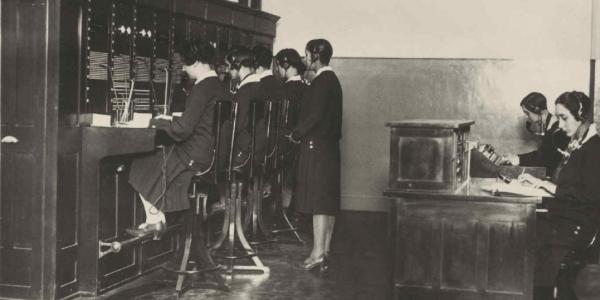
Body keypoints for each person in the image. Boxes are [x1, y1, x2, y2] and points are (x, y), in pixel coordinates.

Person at [126, 39, 229, 242]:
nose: (182, 67)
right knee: (157, 159)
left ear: (197, 62)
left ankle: (155, 219)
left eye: (185, 63)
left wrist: (157, 122)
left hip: (195, 156)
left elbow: (182, 130)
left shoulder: (202, 87)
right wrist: (172, 120)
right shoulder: (219, 85)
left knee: (140, 164)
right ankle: (158, 218)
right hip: (212, 155)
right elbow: (200, 120)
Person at [518, 91, 600, 300]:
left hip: (578, 228)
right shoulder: (579, 144)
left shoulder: (594, 148)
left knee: (528, 241)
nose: (561, 125)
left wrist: (551, 188)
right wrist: (541, 183)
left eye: (564, 118)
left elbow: (589, 195)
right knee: (526, 236)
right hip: (567, 220)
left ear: (581, 116)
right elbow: (570, 185)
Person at [286, 39, 343, 271]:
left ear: (315, 57)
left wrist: (295, 134)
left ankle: (318, 252)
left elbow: (313, 116)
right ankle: (324, 250)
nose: (304, 59)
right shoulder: (332, 80)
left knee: (318, 201)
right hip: (328, 148)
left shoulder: (321, 81)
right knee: (327, 200)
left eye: (306, 55)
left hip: (316, 147)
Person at [274, 48, 307, 211]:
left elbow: (282, 121)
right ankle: (290, 215)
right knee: (293, 180)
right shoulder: (305, 87)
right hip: (300, 143)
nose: (278, 70)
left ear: (285, 65)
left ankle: (282, 215)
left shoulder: (285, 90)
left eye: (278, 66)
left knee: (285, 181)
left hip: (286, 142)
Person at [505, 92, 569, 175]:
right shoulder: (550, 126)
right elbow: (542, 153)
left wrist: (519, 159)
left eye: (527, 113)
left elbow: (547, 159)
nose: (527, 118)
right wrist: (517, 157)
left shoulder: (557, 131)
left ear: (537, 110)